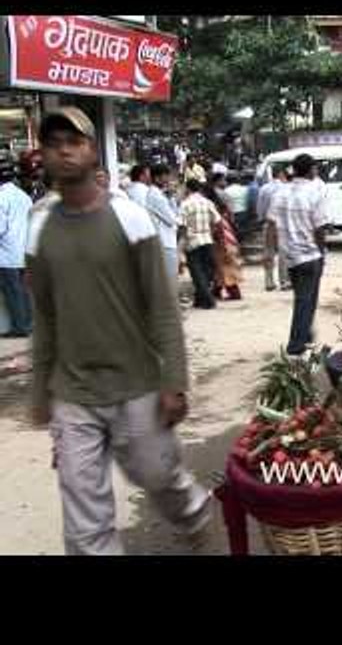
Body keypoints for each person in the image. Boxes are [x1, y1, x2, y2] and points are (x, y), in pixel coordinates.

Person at [28, 108, 209, 555]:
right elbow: (45, 317)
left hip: (138, 385)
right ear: (44, 156)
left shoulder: (130, 218)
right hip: (74, 393)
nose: (65, 151)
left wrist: (174, 383)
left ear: (93, 151)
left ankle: (193, 512)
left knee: (158, 476)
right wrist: (39, 390)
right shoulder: (39, 228)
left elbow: (163, 310)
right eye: (54, 144)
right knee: (83, 519)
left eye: (75, 141)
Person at [266, 154, 329, 356]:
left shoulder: (280, 192)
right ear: (310, 170)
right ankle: (296, 344)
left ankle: (306, 334)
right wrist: (321, 251)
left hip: (290, 256)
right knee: (306, 300)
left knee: (303, 297)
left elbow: (271, 224)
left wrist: (270, 251)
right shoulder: (315, 192)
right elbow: (320, 227)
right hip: (310, 254)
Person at [0, 158, 33, 337]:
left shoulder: (1, 198)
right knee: (24, 292)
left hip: (6, 254)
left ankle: (19, 328)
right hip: (23, 251)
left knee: (13, 293)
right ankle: (28, 324)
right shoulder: (23, 196)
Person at [180, 179, 221, 310]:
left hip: (192, 241)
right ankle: (200, 299)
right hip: (207, 239)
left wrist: (182, 242)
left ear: (188, 189)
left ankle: (208, 300)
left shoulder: (185, 204)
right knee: (206, 271)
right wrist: (211, 231)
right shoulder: (207, 202)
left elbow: (181, 225)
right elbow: (217, 220)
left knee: (196, 272)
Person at [205, 175, 243, 301]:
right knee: (223, 265)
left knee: (223, 265)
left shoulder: (211, 206)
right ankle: (218, 290)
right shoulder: (221, 204)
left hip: (221, 238)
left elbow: (216, 226)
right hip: (227, 234)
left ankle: (231, 291)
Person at [257, 162, 291, 292]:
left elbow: (259, 209)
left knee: (268, 252)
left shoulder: (264, 189)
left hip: (268, 223)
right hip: (283, 224)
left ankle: (269, 281)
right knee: (283, 252)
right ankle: (284, 281)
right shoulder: (287, 188)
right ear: (281, 174)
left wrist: (262, 219)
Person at [147, 163, 183, 288]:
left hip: (167, 240)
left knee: (170, 277)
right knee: (169, 278)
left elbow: (175, 214)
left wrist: (172, 197)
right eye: (166, 176)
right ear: (157, 178)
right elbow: (173, 219)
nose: (168, 180)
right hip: (164, 241)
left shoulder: (161, 194)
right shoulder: (156, 196)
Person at [223, 172, 250, 241]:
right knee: (242, 232)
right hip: (243, 212)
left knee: (233, 233)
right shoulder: (244, 189)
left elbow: (225, 203)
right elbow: (248, 201)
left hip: (232, 214)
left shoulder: (226, 191)